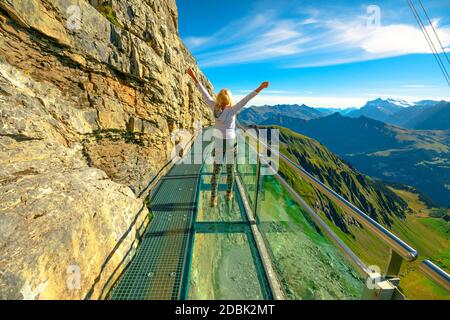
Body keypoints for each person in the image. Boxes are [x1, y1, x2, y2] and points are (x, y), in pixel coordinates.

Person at [187, 67, 269, 207]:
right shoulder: (232, 110)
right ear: (229, 99)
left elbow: (204, 92)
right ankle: (229, 193)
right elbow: (246, 99)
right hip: (231, 143)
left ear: (219, 99)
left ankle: (213, 197)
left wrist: (193, 76)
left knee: (216, 170)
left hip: (219, 142)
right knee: (231, 170)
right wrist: (260, 87)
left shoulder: (214, 107)